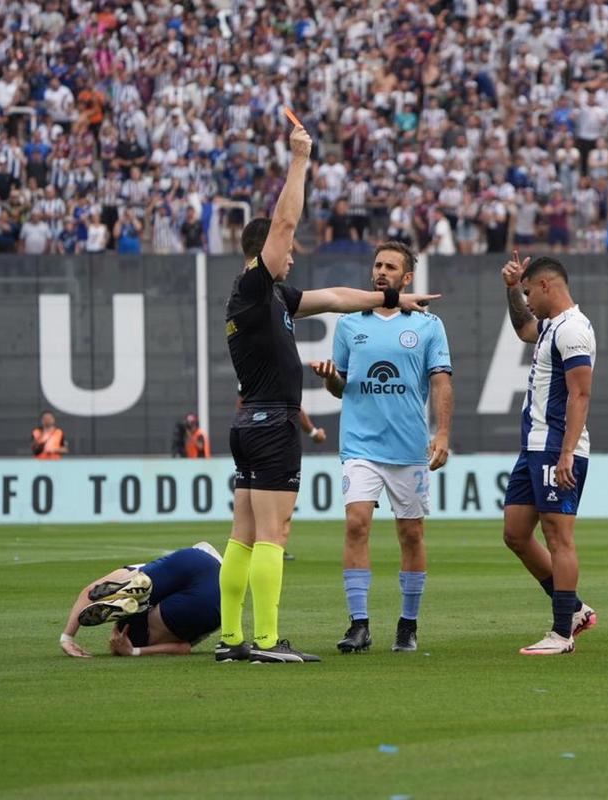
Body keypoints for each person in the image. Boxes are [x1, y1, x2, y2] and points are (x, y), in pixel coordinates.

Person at [217, 123, 438, 665]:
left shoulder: (269, 299)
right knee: (274, 532)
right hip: (271, 425)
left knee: (243, 535)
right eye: (284, 252)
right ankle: (266, 643)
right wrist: (300, 159)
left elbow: (339, 296)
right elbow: (286, 221)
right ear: (265, 252)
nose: (291, 258)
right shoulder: (253, 287)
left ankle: (230, 639)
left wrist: (394, 297)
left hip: (251, 423)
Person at [310, 240, 454, 654]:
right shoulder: (351, 322)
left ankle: (408, 625)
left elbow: (442, 382)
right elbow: (340, 387)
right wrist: (329, 378)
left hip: (409, 447)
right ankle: (359, 624)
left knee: (411, 534)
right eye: (377, 265)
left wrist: (442, 434)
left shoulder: (428, 325)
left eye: (391, 267)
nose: (381, 272)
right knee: (356, 524)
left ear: (406, 278)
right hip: (360, 444)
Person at [500, 251, 597, 656]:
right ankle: (573, 609)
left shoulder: (573, 329)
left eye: (527, 291)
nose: (527, 300)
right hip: (534, 446)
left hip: (556, 447)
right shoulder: (551, 326)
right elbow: (523, 327)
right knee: (516, 534)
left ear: (545, 286)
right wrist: (509, 290)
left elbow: (580, 393)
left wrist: (566, 452)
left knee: (559, 537)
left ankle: (561, 634)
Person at [59, 542, 222, 658]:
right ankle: (139, 603)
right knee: (128, 638)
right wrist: (133, 651)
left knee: (128, 637)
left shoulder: (138, 568)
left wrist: (67, 637)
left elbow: (91, 591)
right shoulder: (222, 580)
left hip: (190, 561)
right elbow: (183, 647)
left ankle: (138, 604)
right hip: (216, 597)